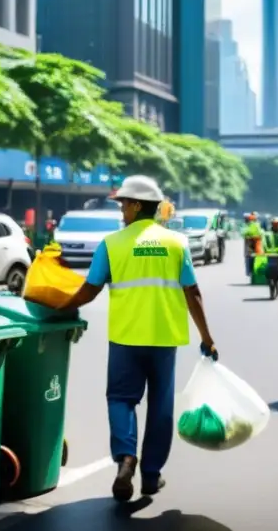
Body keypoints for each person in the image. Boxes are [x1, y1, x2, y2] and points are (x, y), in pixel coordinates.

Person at [54, 175, 217, 501]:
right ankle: (152, 476)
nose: (121, 210)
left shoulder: (112, 244)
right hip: (163, 339)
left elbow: (89, 289)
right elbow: (193, 292)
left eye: (124, 204)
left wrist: (61, 306)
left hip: (126, 338)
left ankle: (126, 457)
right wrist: (206, 336)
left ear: (137, 205)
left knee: (121, 400)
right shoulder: (176, 243)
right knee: (160, 408)